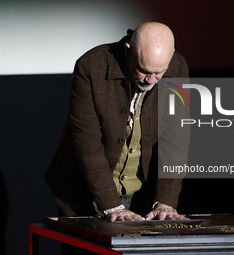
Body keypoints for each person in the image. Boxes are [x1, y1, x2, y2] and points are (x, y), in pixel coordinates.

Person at [45, 22, 190, 223]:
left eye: (159, 73)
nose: (150, 80)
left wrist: (165, 201)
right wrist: (112, 206)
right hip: (84, 192)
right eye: (143, 70)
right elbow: (87, 144)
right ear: (128, 49)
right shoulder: (91, 66)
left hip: (141, 194)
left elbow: (176, 139)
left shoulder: (177, 67)